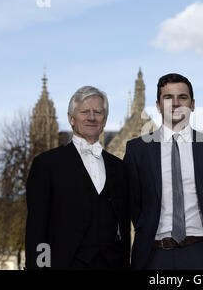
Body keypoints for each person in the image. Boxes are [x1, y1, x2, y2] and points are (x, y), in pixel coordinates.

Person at [124, 73, 203, 270]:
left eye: (182, 97)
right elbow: (134, 205)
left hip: (200, 252)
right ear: (157, 105)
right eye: (167, 98)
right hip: (153, 254)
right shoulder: (137, 150)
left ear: (192, 104)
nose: (175, 103)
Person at [25, 86, 130, 269]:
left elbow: (124, 226)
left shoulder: (119, 167)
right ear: (71, 118)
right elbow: (37, 228)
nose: (91, 117)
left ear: (104, 120)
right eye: (84, 111)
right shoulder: (47, 164)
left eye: (97, 112)